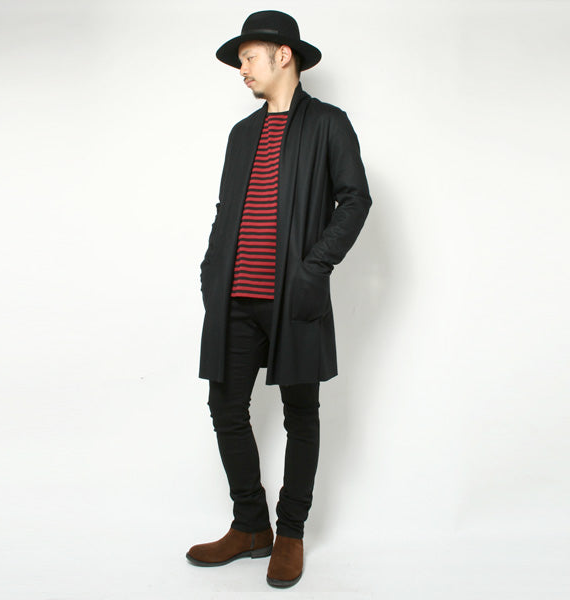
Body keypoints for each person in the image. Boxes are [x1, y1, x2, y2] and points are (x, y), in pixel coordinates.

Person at [186, 10, 372, 588]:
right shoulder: (242, 134)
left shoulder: (328, 125)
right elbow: (225, 211)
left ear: (282, 55)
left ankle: (289, 533)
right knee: (225, 409)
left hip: (294, 298)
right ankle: (250, 526)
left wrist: (315, 267)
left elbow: (355, 200)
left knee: (300, 413)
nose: (241, 69)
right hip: (234, 299)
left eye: (248, 57)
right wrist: (211, 273)